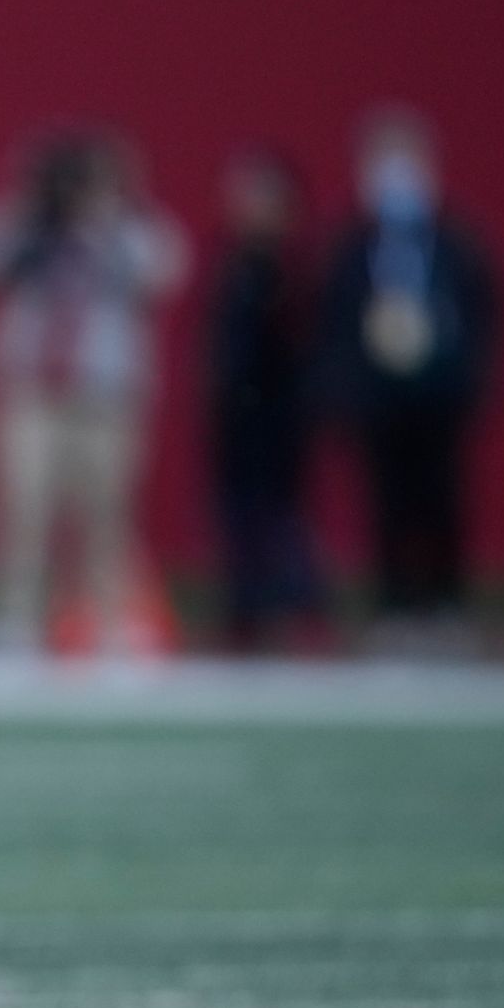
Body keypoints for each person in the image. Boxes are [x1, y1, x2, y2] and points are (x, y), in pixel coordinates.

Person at [0, 130, 187, 656]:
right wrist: (27, 210)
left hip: (105, 397)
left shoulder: (129, 231)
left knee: (107, 514)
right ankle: (11, 623)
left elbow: (165, 269)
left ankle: (111, 623)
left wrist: (103, 223)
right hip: (32, 393)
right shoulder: (29, 229)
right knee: (23, 509)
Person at [313, 108, 500, 653]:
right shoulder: (353, 247)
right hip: (379, 395)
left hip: (440, 393)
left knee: (443, 501)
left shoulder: (457, 242)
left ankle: (447, 603)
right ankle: (395, 606)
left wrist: (472, 376)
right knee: (386, 503)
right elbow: (335, 322)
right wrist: (343, 388)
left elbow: (485, 313)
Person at [204, 148, 331, 653]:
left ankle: (304, 608)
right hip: (233, 409)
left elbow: (303, 342)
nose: (243, 205)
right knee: (236, 514)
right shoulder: (232, 259)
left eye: (257, 195)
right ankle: (247, 609)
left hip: (279, 410)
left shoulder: (296, 266)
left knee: (280, 514)